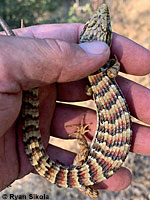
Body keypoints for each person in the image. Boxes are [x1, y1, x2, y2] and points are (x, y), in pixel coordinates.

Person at [0, 23, 149, 192]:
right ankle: (83, 184)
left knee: (34, 115)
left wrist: (81, 138)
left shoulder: (99, 77)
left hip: (96, 165)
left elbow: (95, 84)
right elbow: (103, 78)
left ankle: (83, 184)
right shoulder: (101, 77)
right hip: (101, 161)